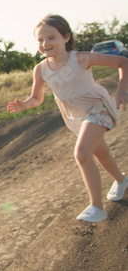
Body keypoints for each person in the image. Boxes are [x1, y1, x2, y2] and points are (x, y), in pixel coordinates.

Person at [7, 14, 128, 223]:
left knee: (82, 153)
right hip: (77, 117)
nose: (45, 44)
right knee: (100, 153)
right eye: (40, 40)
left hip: (98, 109)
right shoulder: (41, 69)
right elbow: (37, 98)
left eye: (51, 38)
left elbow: (123, 62)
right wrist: (25, 104)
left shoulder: (82, 58)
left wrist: (122, 89)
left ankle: (97, 207)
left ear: (65, 37)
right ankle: (121, 180)